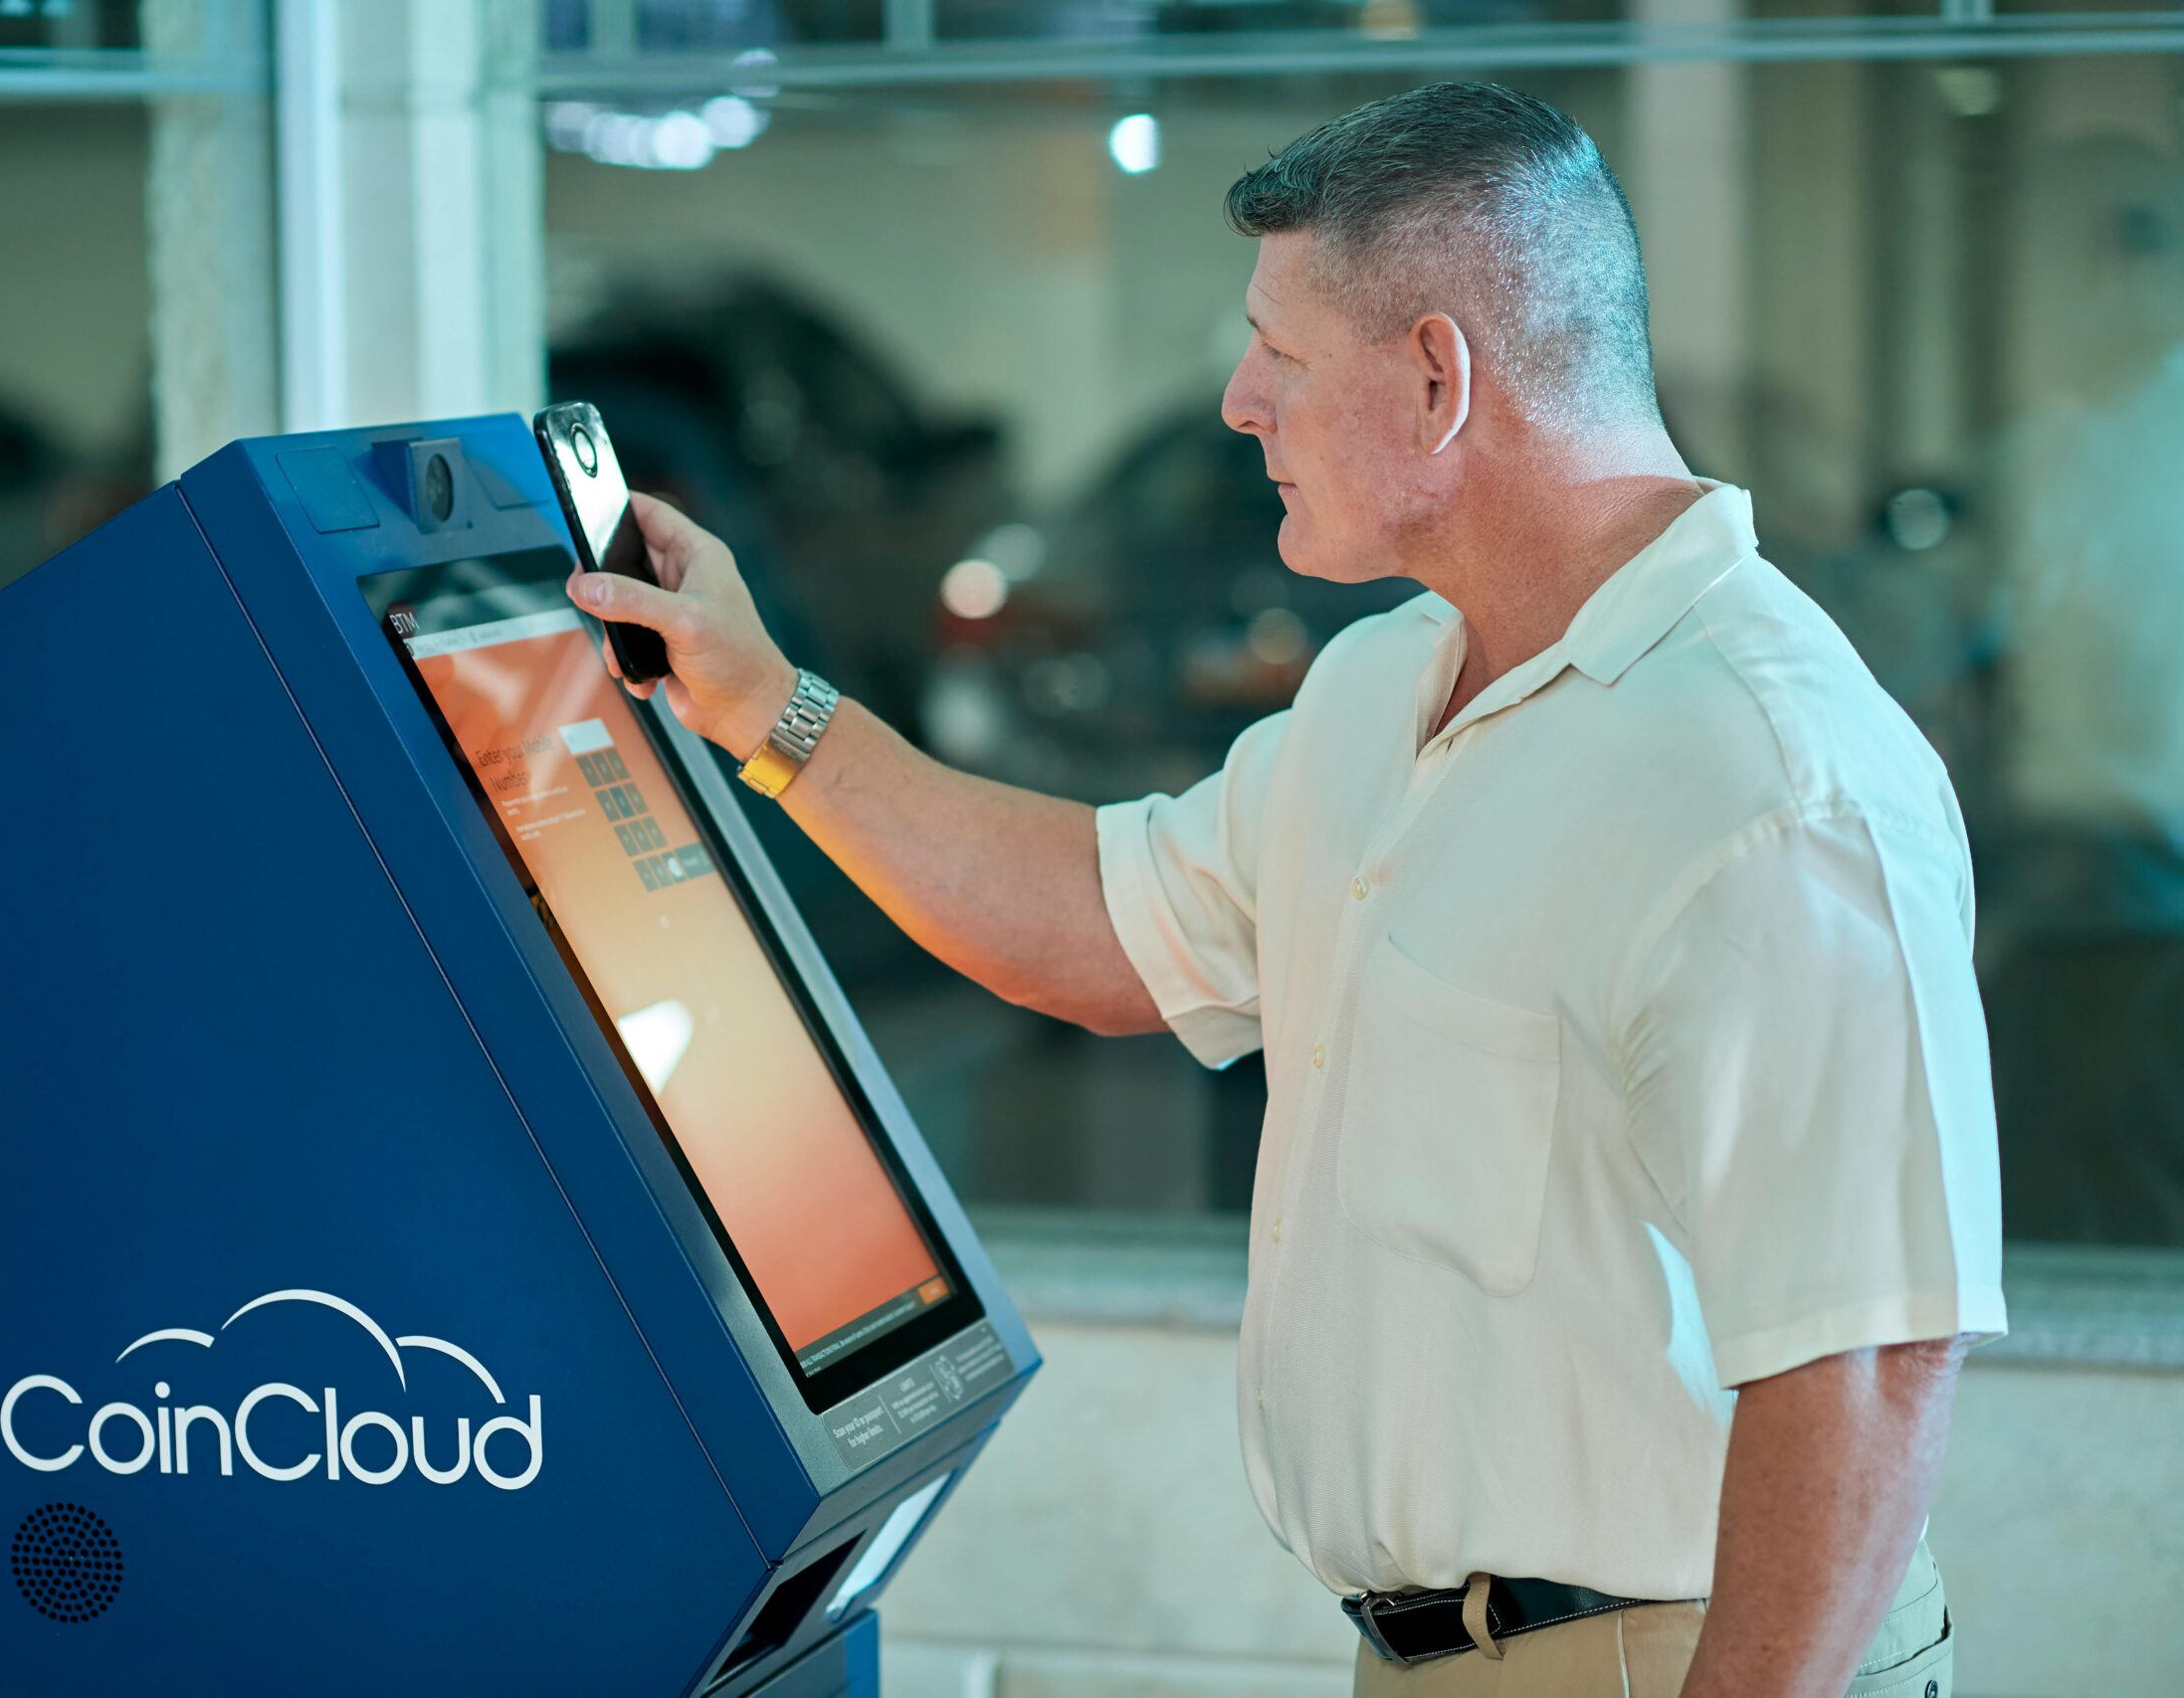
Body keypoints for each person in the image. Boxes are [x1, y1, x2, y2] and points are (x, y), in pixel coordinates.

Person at [568, 83, 2002, 1698]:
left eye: (1281, 354)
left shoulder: (1771, 780)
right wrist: (766, 703)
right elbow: (1100, 925)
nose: (1239, 403)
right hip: (1430, 1661)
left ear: (1439, 378)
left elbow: (1872, 1356)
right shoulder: (1385, 689)